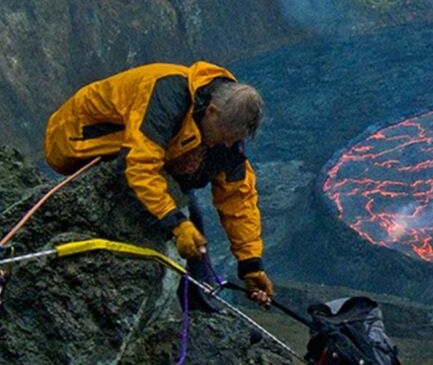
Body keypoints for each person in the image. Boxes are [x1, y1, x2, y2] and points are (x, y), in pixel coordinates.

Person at [43, 60, 273, 305]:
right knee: (177, 206)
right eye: (226, 137)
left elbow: (238, 198)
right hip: (81, 140)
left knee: (189, 211)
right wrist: (175, 223)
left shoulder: (223, 123)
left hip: (152, 150)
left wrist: (250, 264)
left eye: (234, 140)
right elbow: (137, 167)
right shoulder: (166, 96)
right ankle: (191, 295)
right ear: (212, 111)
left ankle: (198, 298)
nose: (228, 144)